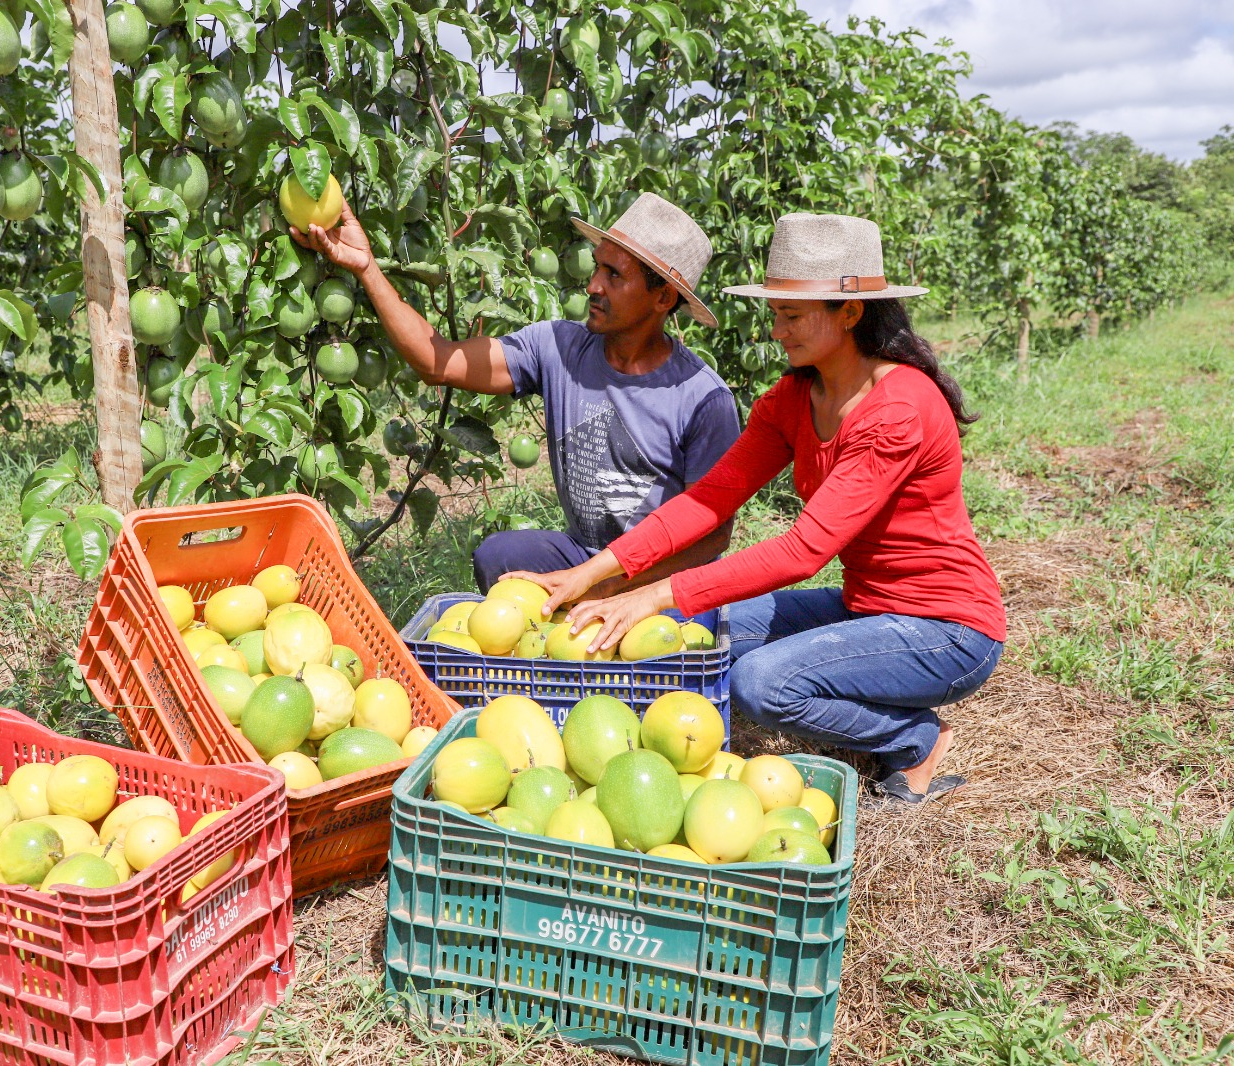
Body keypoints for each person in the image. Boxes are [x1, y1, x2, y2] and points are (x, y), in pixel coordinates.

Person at [506, 213, 1007, 805]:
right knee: (692, 632)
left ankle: (914, 738)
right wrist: (595, 574)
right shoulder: (794, 398)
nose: (776, 331)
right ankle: (868, 702)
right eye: (775, 313)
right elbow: (708, 500)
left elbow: (804, 551)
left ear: (849, 313)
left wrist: (653, 592)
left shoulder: (899, 410)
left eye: (791, 316)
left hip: (946, 629)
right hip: (865, 606)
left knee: (759, 683)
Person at [293, 192, 741, 602]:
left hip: (658, 578)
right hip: (583, 554)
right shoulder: (559, 348)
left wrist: (606, 590)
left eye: (614, 275)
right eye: (597, 268)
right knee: (499, 556)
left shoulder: (702, 399)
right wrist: (366, 267)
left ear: (663, 297)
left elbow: (711, 538)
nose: (592, 287)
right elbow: (438, 362)